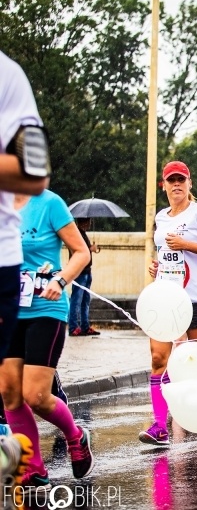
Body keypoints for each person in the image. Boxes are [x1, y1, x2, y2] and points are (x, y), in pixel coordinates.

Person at [0, 189, 93, 490]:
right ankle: (33, 469)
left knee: (36, 395)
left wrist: (61, 279)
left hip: (45, 309)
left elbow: (81, 252)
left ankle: (76, 436)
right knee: (9, 393)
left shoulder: (49, 203)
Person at [140, 161, 197, 445]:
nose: (176, 184)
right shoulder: (161, 217)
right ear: (163, 185)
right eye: (171, 180)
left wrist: (186, 244)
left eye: (182, 180)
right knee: (158, 360)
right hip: (165, 299)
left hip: (196, 299)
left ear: (190, 183)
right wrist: (159, 268)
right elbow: (168, 254)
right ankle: (159, 426)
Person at [0, 50, 52, 493]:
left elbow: (36, 170)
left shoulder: (8, 76)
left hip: (3, 261)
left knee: (18, 392)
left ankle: (26, 473)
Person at [68, 218, 100, 336]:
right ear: (84, 222)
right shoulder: (76, 234)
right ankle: (73, 327)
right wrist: (90, 249)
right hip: (80, 272)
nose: (90, 223)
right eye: (88, 221)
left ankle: (84, 326)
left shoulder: (83, 234)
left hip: (86, 271)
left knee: (85, 301)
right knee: (76, 300)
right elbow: (77, 251)